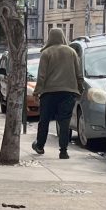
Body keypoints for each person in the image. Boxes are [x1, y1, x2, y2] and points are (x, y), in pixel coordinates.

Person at [32, 28, 85, 159]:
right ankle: (63, 151)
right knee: (64, 122)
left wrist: (36, 92)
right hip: (68, 93)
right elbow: (79, 74)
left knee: (44, 120)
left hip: (49, 93)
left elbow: (41, 76)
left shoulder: (46, 53)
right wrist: (80, 89)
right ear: (62, 37)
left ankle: (40, 145)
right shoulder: (71, 52)